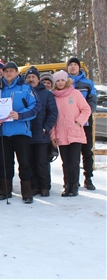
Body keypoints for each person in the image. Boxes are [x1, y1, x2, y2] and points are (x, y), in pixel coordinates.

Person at [0, 62, 39, 204]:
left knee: (24, 162)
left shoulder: (25, 88)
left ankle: (27, 192)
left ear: (17, 73)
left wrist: (20, 115)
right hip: (4, 132)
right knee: (5, 163)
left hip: (21, 131)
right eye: (6, 71)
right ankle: (5, 190)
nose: (8, 73)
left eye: (12, 71)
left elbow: (36, 106)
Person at [51, 71, 92, 197]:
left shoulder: (75, 94)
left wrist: (79, 122)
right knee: (65, 162)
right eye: (57, 81)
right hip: (61, 134)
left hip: (75, 132)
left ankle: (74, 186)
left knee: (74, 161)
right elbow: (52, 117)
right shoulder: (53, 97)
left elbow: (86, 109)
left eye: (62, 80)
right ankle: (67, 185)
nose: (60, 83)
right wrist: (53, 135)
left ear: (66, 81)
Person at [25, 67, 58, 197]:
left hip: (42, 135)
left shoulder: (46, 94)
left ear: (38, 79)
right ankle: (34, 186)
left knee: (42, 163)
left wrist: (46, 127)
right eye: (28, 77)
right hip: (27, 134)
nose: (31, 79)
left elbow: (53, 113)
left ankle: (44, 186)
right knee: (30, 162)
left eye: (33, 77)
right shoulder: (24, 93)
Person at [67, 57, 97, 190]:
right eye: (70, 65)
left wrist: (83, 117)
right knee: (71, 154)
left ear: (79, 67)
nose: (73, 67)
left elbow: (92, 101)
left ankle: (88, 177)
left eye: (75, 64)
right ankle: (73, 179)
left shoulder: (88, 83)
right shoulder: (64, 82)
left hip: (84, 123)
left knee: (87, 151)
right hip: (69, 124)